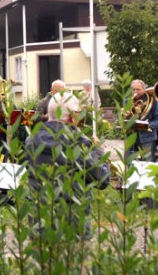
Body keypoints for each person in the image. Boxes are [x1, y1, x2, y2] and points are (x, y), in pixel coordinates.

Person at [25, 91, 111, 240]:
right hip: (72, 225)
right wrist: (97, 150)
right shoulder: (78, 143)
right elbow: (102, 179)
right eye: (78, 112)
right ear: (72, 116)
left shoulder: (31, 140)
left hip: (39, 224)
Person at [127, 79, 158, 162]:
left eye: (138, 89)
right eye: (133, 89)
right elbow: (122, 120)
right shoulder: (127, 101)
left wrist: (146, 125)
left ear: (144, 89)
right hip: (130, 137)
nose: (135, 92)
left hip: (147, 138)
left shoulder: (152, 101)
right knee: (128, 164)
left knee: (147, 164)